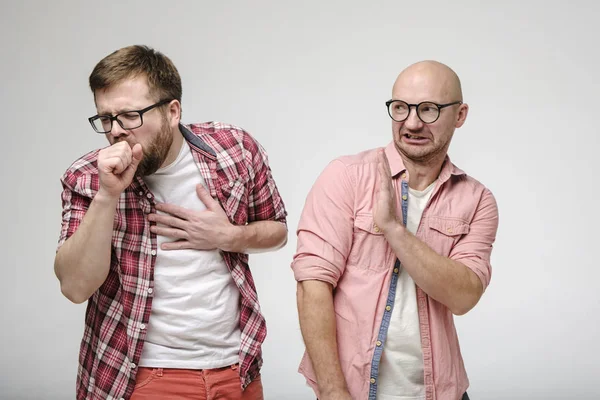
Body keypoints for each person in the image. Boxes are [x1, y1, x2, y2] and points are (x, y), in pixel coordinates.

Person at [54, 45, 287, 400]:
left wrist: (229, 236)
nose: (116, 131)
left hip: (236, 368)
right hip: (141, 375)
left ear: (172, 111)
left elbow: (278, 231)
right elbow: (74, 286)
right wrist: (107, 196)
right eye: (106, 118)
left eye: (130, 116)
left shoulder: (235, 150)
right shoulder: (86, 177)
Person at [292, 61, 499, 400]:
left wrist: (393, 229)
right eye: (401, 108)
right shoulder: (346, 176)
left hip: (440, 391)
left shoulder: (476, 200)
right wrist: (332, 391)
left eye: (429, 109)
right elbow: (312, 284)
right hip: (355, 392)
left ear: (460, 115)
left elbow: (464, 296)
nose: (412, 122)